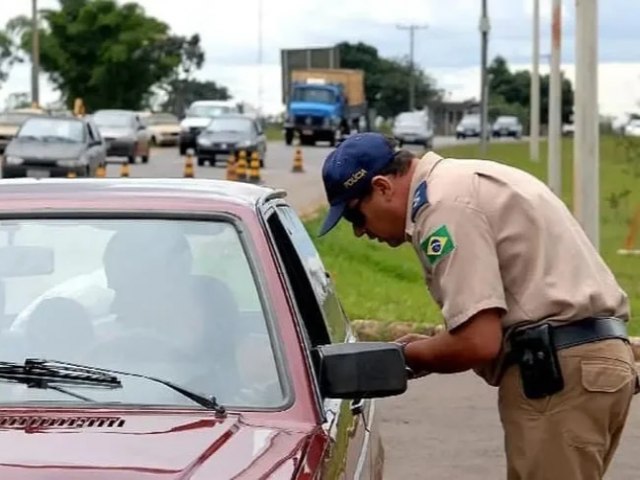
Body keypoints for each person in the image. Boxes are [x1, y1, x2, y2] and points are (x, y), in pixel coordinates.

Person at [317, 132, 639, 480]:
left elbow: (478, 342)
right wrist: (434, 343)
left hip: (557, 375)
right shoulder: (463, 181)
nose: (360, 233)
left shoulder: (443, 206)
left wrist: (407, 356)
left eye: (355, 217)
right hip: (588, 364)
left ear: (382, 187)